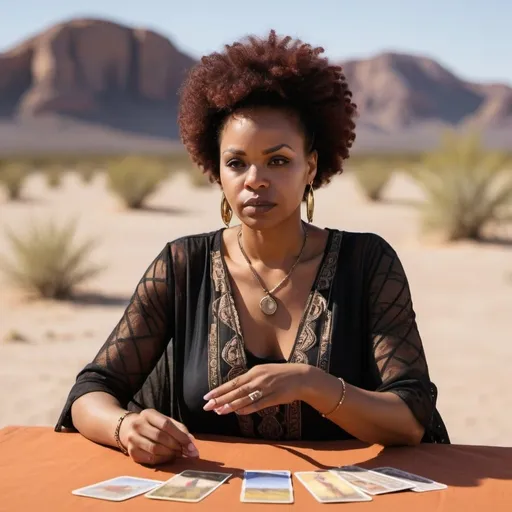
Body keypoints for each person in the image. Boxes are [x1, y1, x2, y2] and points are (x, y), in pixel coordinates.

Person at [55, 31, 450, 466]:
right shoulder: (181, 266)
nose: (255, 179)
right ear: (217, 171)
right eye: (237, 162)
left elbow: (411, 417)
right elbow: (91, 391)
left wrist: (312, 384)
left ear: (311, 167)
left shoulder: (368, 263)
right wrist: (125, 427)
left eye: (278, 160)